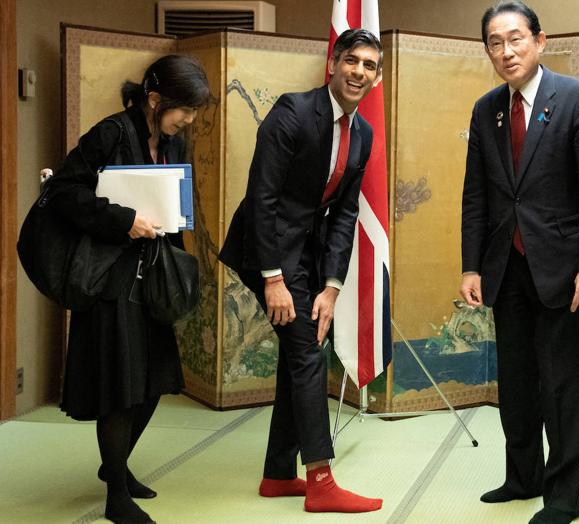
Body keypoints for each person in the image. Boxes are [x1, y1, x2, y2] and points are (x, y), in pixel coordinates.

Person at [460, 3, 579, 523]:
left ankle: (563, 496)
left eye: (516, 39)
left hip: (565, 270)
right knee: (517, 380)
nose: (507, 51)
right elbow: (476, 197)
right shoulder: (487, 110)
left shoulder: (576, 99)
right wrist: (471, 266)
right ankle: (521, 477)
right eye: (495, 43)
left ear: (540, 41)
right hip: (505, 266)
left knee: (562, 384)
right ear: (487, 50)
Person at [219, 29, 384, 513]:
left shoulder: (364, 133)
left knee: (304, 350)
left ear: (377, 77)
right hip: (264, 246)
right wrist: (272, 278)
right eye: (351, 60)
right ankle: (321, 479)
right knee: (308, 350)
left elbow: (346, 214)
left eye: (370, 65)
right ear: (333, 63)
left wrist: (332, 286)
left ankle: (276, 473)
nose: (359, 71)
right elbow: (262, 199)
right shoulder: (292, 112)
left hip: (308, 254)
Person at [46, 55, 209, 524]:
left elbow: (174, 200)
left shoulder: (173, 141)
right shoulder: (112, 133)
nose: (190, 120)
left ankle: (112, 465)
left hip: (152, 275)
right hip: (111, 278)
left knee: (156, 380)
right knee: (120, 385)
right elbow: (64, 191)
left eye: (196, 111)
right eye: (185, 109)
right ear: (154, 99)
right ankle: (117, 495)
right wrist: (124, 219)